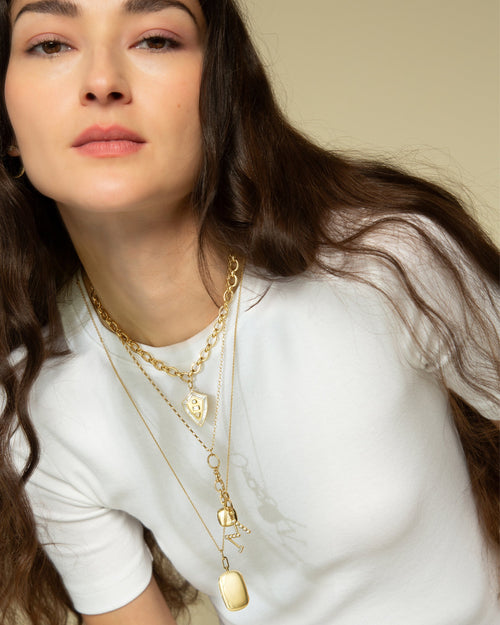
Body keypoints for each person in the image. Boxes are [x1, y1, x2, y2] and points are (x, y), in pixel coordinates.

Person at [0, 0, 498, 624]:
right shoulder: (38, 404)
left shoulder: (387, 262)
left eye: (155, 39)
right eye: (50, 44)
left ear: (221, 92)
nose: (102, 82)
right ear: (8, 128)